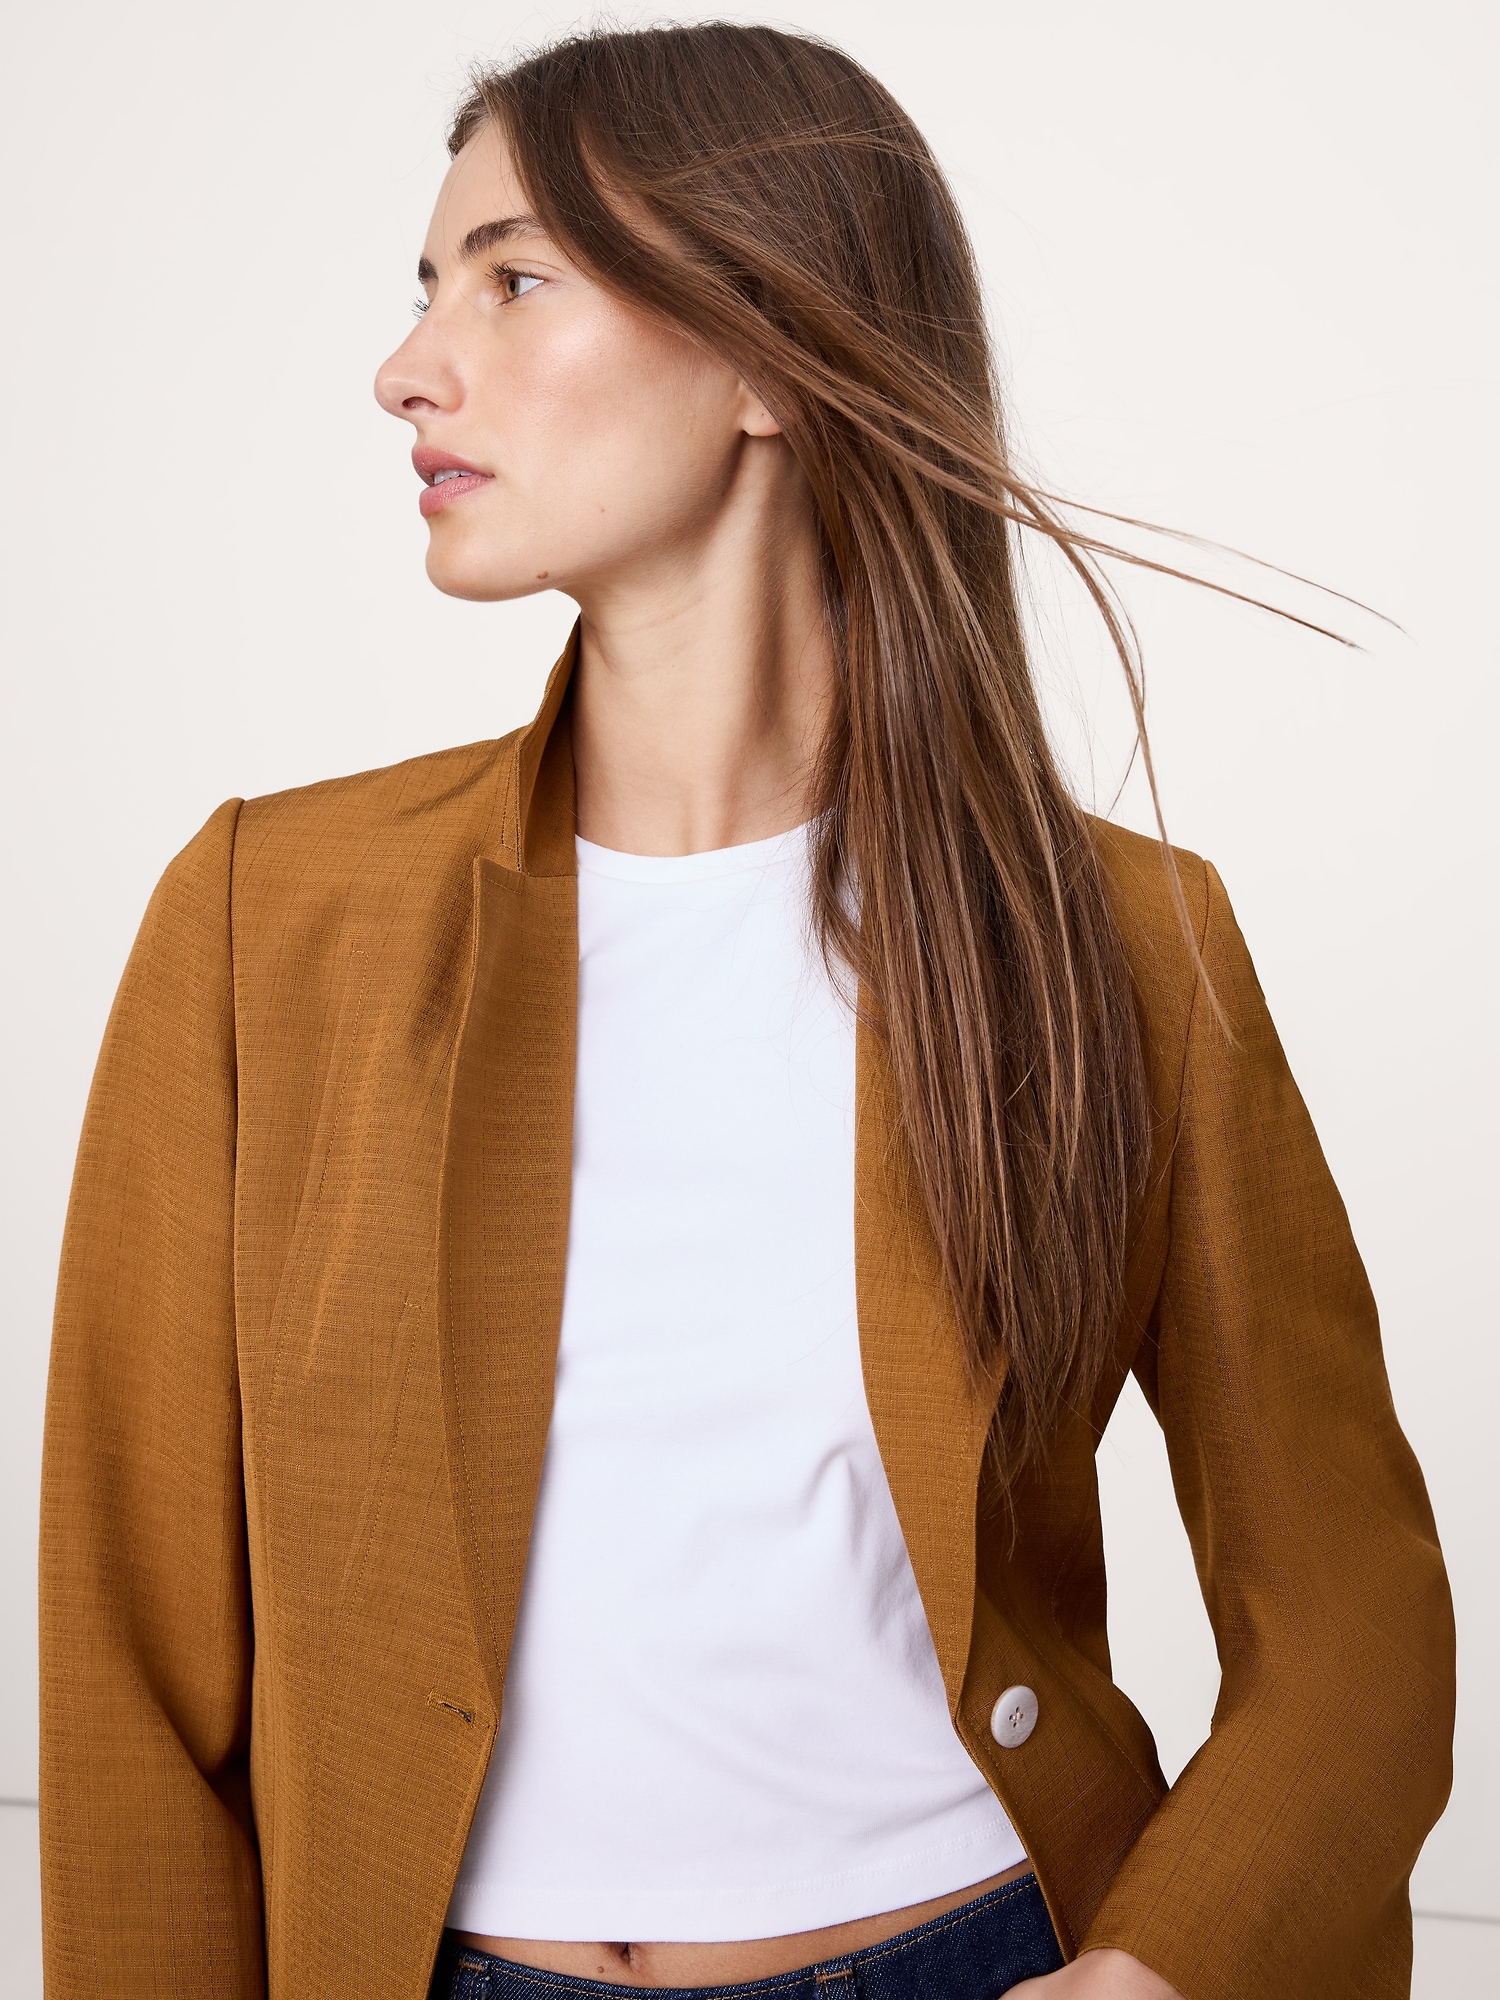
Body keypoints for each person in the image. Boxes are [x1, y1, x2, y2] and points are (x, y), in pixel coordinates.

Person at [38, 22, 1454, 2000]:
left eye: (514, 280)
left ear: (772, 353)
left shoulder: (1125, 942)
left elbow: (1353, 1613)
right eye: (425, 286)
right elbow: (128, 1664)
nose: (409, 367)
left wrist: (1159, 1972)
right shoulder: (267, 919)